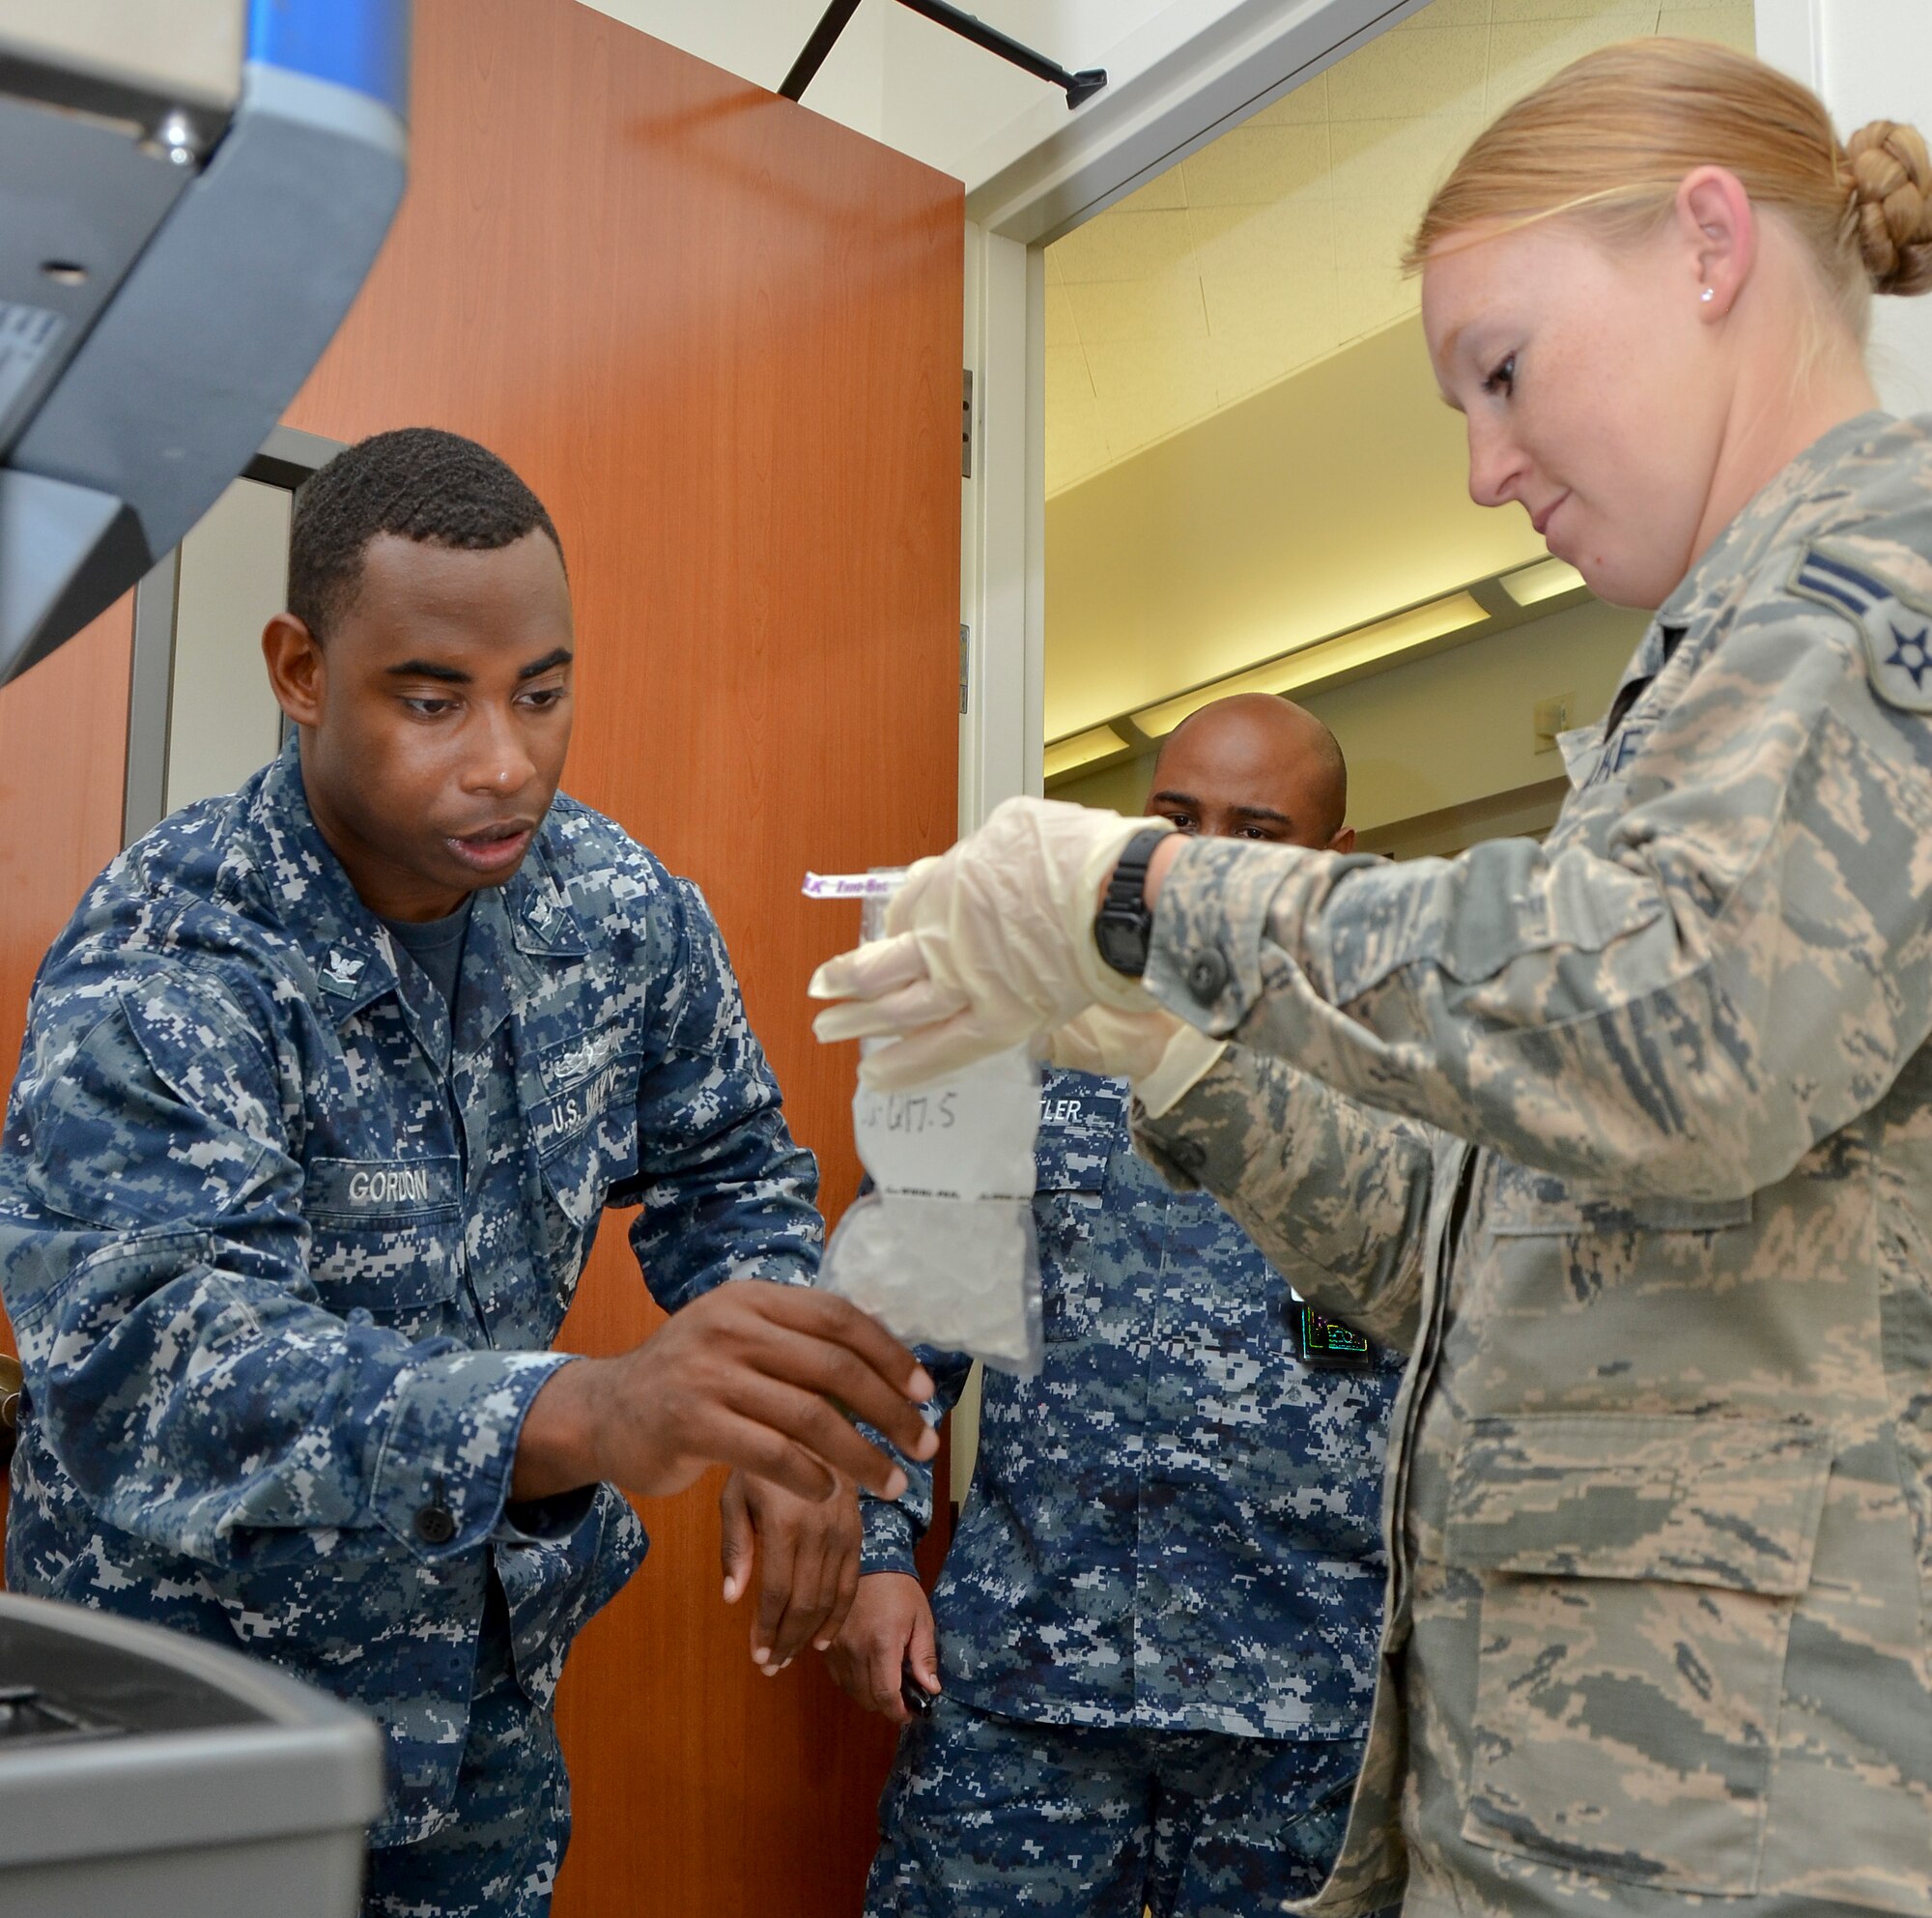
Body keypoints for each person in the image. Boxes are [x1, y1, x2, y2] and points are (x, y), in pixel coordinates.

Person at [810, 38, 1932, 1917]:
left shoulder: (1870, 583)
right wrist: (1172, 1054)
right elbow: (1458, 1249)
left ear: (1710, 247)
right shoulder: (1712, 666)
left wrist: (1153, 889)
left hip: (1739, 1808)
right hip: (1566, 1793)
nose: (1486, 467)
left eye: (1501, 371)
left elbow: (1675, 1032)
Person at [0, 427, 938, 1918]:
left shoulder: (616, 906)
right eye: (431, 700)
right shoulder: (171, 956)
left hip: (476, 1715)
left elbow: (736, 1171)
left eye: (544, 693)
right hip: (189, 1722)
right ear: (302, 673)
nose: (506, 760)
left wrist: (802, 1434)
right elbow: (152, 1367)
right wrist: (587, 1405)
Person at [831, 694, 1403, 1918]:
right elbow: (886, 1324)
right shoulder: (1023, 1037)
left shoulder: (1404, 1079)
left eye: (1252, 832)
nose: (1199, 863)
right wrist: (877, 1560)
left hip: (1307, 1697)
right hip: (1029, 1684)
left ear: (1331, 864)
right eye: (1172, 822)